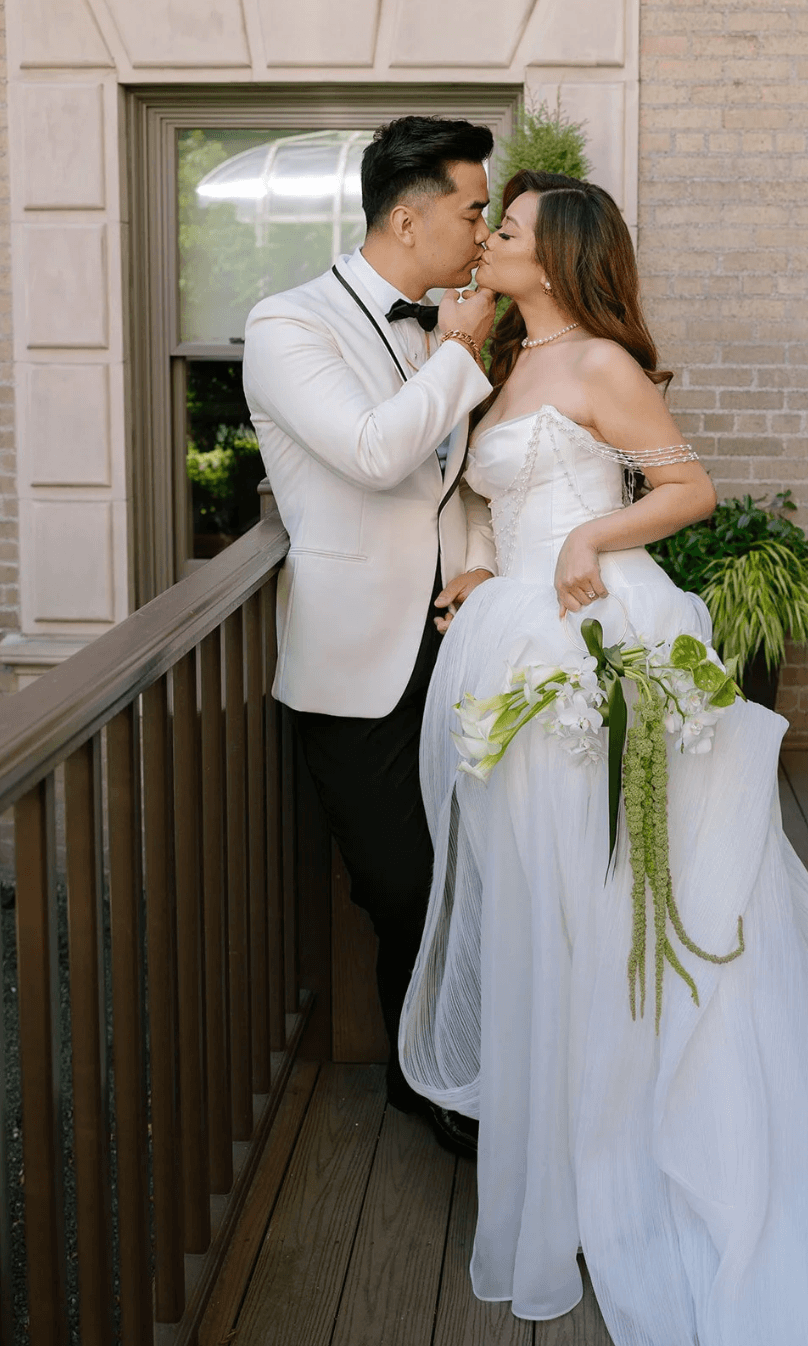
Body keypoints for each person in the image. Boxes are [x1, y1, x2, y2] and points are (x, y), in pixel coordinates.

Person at [399, 170, 808, 1344]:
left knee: (624, 884)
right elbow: (501, 504)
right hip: (517, 634)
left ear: (554, 255)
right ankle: (569, 1121)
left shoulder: (602, 360)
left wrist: (596, 536)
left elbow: (687, 489)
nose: (488, 238)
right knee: (549, 891)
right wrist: (484, 570)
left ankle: (650, 1120)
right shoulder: (506, 361)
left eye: (505, 228)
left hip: (602, 633)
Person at [243, 116, 500, 1155]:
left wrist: (479, 556)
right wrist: (462, 350)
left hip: (462, 640)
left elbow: (459, 478)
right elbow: (377, 452)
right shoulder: (287, 324)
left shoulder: (440, 327)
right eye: (473, 209)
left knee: (481, 866)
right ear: (410, 214)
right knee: (403, 878)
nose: (483, 232)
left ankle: (452, 1065)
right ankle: (417, 1067)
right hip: (353, 663)